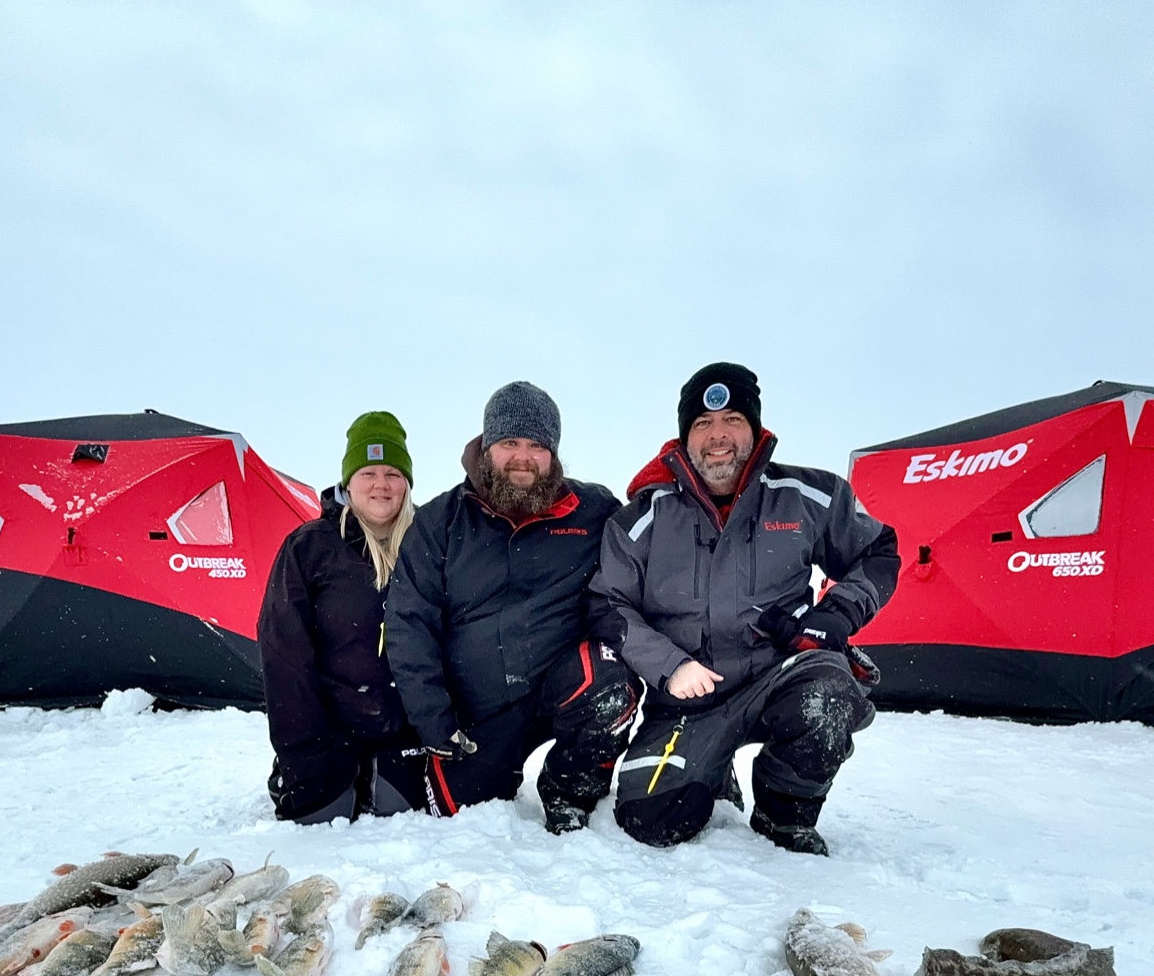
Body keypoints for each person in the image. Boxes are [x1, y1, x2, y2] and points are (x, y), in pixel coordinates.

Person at [591, 362, 899, 855]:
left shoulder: (807, 496)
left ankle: (784, 814)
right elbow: (608, 603)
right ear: (685, 438)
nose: (718, 436)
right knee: (650, 818)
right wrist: (669, 665)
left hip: (778, 679)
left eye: (732, 420)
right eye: (703, 424)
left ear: (754, 429)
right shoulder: (643, 516)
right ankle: (711, 770)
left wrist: (834, 616)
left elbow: (878, 551)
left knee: (825, 695)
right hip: (687, 700)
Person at [384, 381, 641, 832]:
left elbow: (651, 537)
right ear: (487, 447)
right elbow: (409, 623)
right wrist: (434, 720)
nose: (523, 457)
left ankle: (569, 792)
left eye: (537, 445)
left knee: (610, 683)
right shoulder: (441, 520)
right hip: (475, 712)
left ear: (554, 454)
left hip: (561, 686)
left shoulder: (593, 510)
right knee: (460, 818)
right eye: (509, 443)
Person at [258, 410, 428, 824]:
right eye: (368, 473)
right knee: (318, 817)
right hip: (329, 736)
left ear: (406, 483)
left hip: (404, 736)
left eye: (392, 473)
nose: (381, 485)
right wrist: (303, 753)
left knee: (403, 815)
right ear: (348, 482)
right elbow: (285, 659)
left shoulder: (429, 544)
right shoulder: (309, 547)